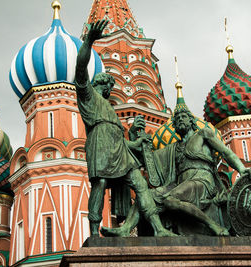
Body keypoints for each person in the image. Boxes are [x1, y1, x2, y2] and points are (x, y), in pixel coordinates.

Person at [74, 20, 175, 237]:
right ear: (101, 84)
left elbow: (119, 140)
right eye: (109, 86)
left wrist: (136, 143)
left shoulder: (110, 111)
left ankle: (158, 228)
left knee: (140, 185)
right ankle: (94, 232)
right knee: (100, 184)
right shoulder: (89, 97)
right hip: (99, 144)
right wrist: (90, 41)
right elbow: (80, 70)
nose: (111, 89)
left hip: (121, 151)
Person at [101, 106, 251, 237]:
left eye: (184, 117)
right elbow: (148, 160)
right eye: (177, 119)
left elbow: (226, 153)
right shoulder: (174, 148)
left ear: (191, 121)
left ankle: (214, 226)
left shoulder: (203, 134)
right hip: (180, 183)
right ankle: (126, 229)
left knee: (169, 200)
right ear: (174, 126)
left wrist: (243, 169)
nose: (181, 120)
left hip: (203, 181)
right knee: (146, 195)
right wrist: (135, 135)